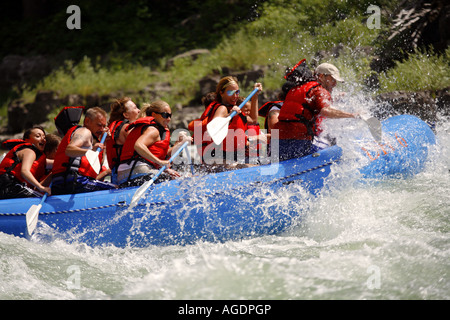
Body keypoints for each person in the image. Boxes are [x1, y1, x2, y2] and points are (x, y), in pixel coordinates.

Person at [273, 61, 358, 160]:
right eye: (333, 79)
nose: (335, 84)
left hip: (278, 142)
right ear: (321, 76)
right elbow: (325, 111)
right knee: (338, 148)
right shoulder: (319, 90)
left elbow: (307, 107)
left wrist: (334, 100)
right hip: (298, 142)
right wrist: (352, 115)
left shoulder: (297, 88)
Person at [117, 100, 191, 187]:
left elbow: (165, 153)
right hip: (135, 170)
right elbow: (138, 145)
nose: (168, 119)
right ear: (154, 115)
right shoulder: (153, 130)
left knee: (177, 176)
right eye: (165, 115)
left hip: (126, 172)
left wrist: (180, 143)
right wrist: (159, 162)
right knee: (180, 180)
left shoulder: (154, 129)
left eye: (170, 115)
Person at [193, 76, 262, 164]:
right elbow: (216, 125)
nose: (235, 96)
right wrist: (229, 115)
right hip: (219, 156)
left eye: (237, 92)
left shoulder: (234, 108)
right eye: (231, 92)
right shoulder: (222, 108)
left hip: (233, 155)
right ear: (221, 93)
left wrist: (255, 95)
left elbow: (253, 120)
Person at [51, 107, 117, 195]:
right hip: (76, 183)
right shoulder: (84, 132)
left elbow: (97, 167)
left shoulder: (89, 138)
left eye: (104, 126)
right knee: (117, 189)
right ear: (87, 121)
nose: (102, 129)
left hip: (61, 185)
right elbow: (69, 150)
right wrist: (91, 150)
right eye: (99, 125)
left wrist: (104, 141)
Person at [0, 126, 51, 199]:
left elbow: (53, 163)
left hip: (6, 187)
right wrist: (41, 187)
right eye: (38, 136)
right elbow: (24, 171)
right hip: (10, 186)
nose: (43, 139)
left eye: (44, 137)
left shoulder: (37, 157)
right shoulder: (29, 151)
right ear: (27, 140)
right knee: (43, 198)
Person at [106, 97, 140, 183]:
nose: (139, 110)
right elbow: (143, 148)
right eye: (135, 108)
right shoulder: (127, 129)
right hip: (129, 171)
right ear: (126, 115)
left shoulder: (115, 127)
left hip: (116, 172)